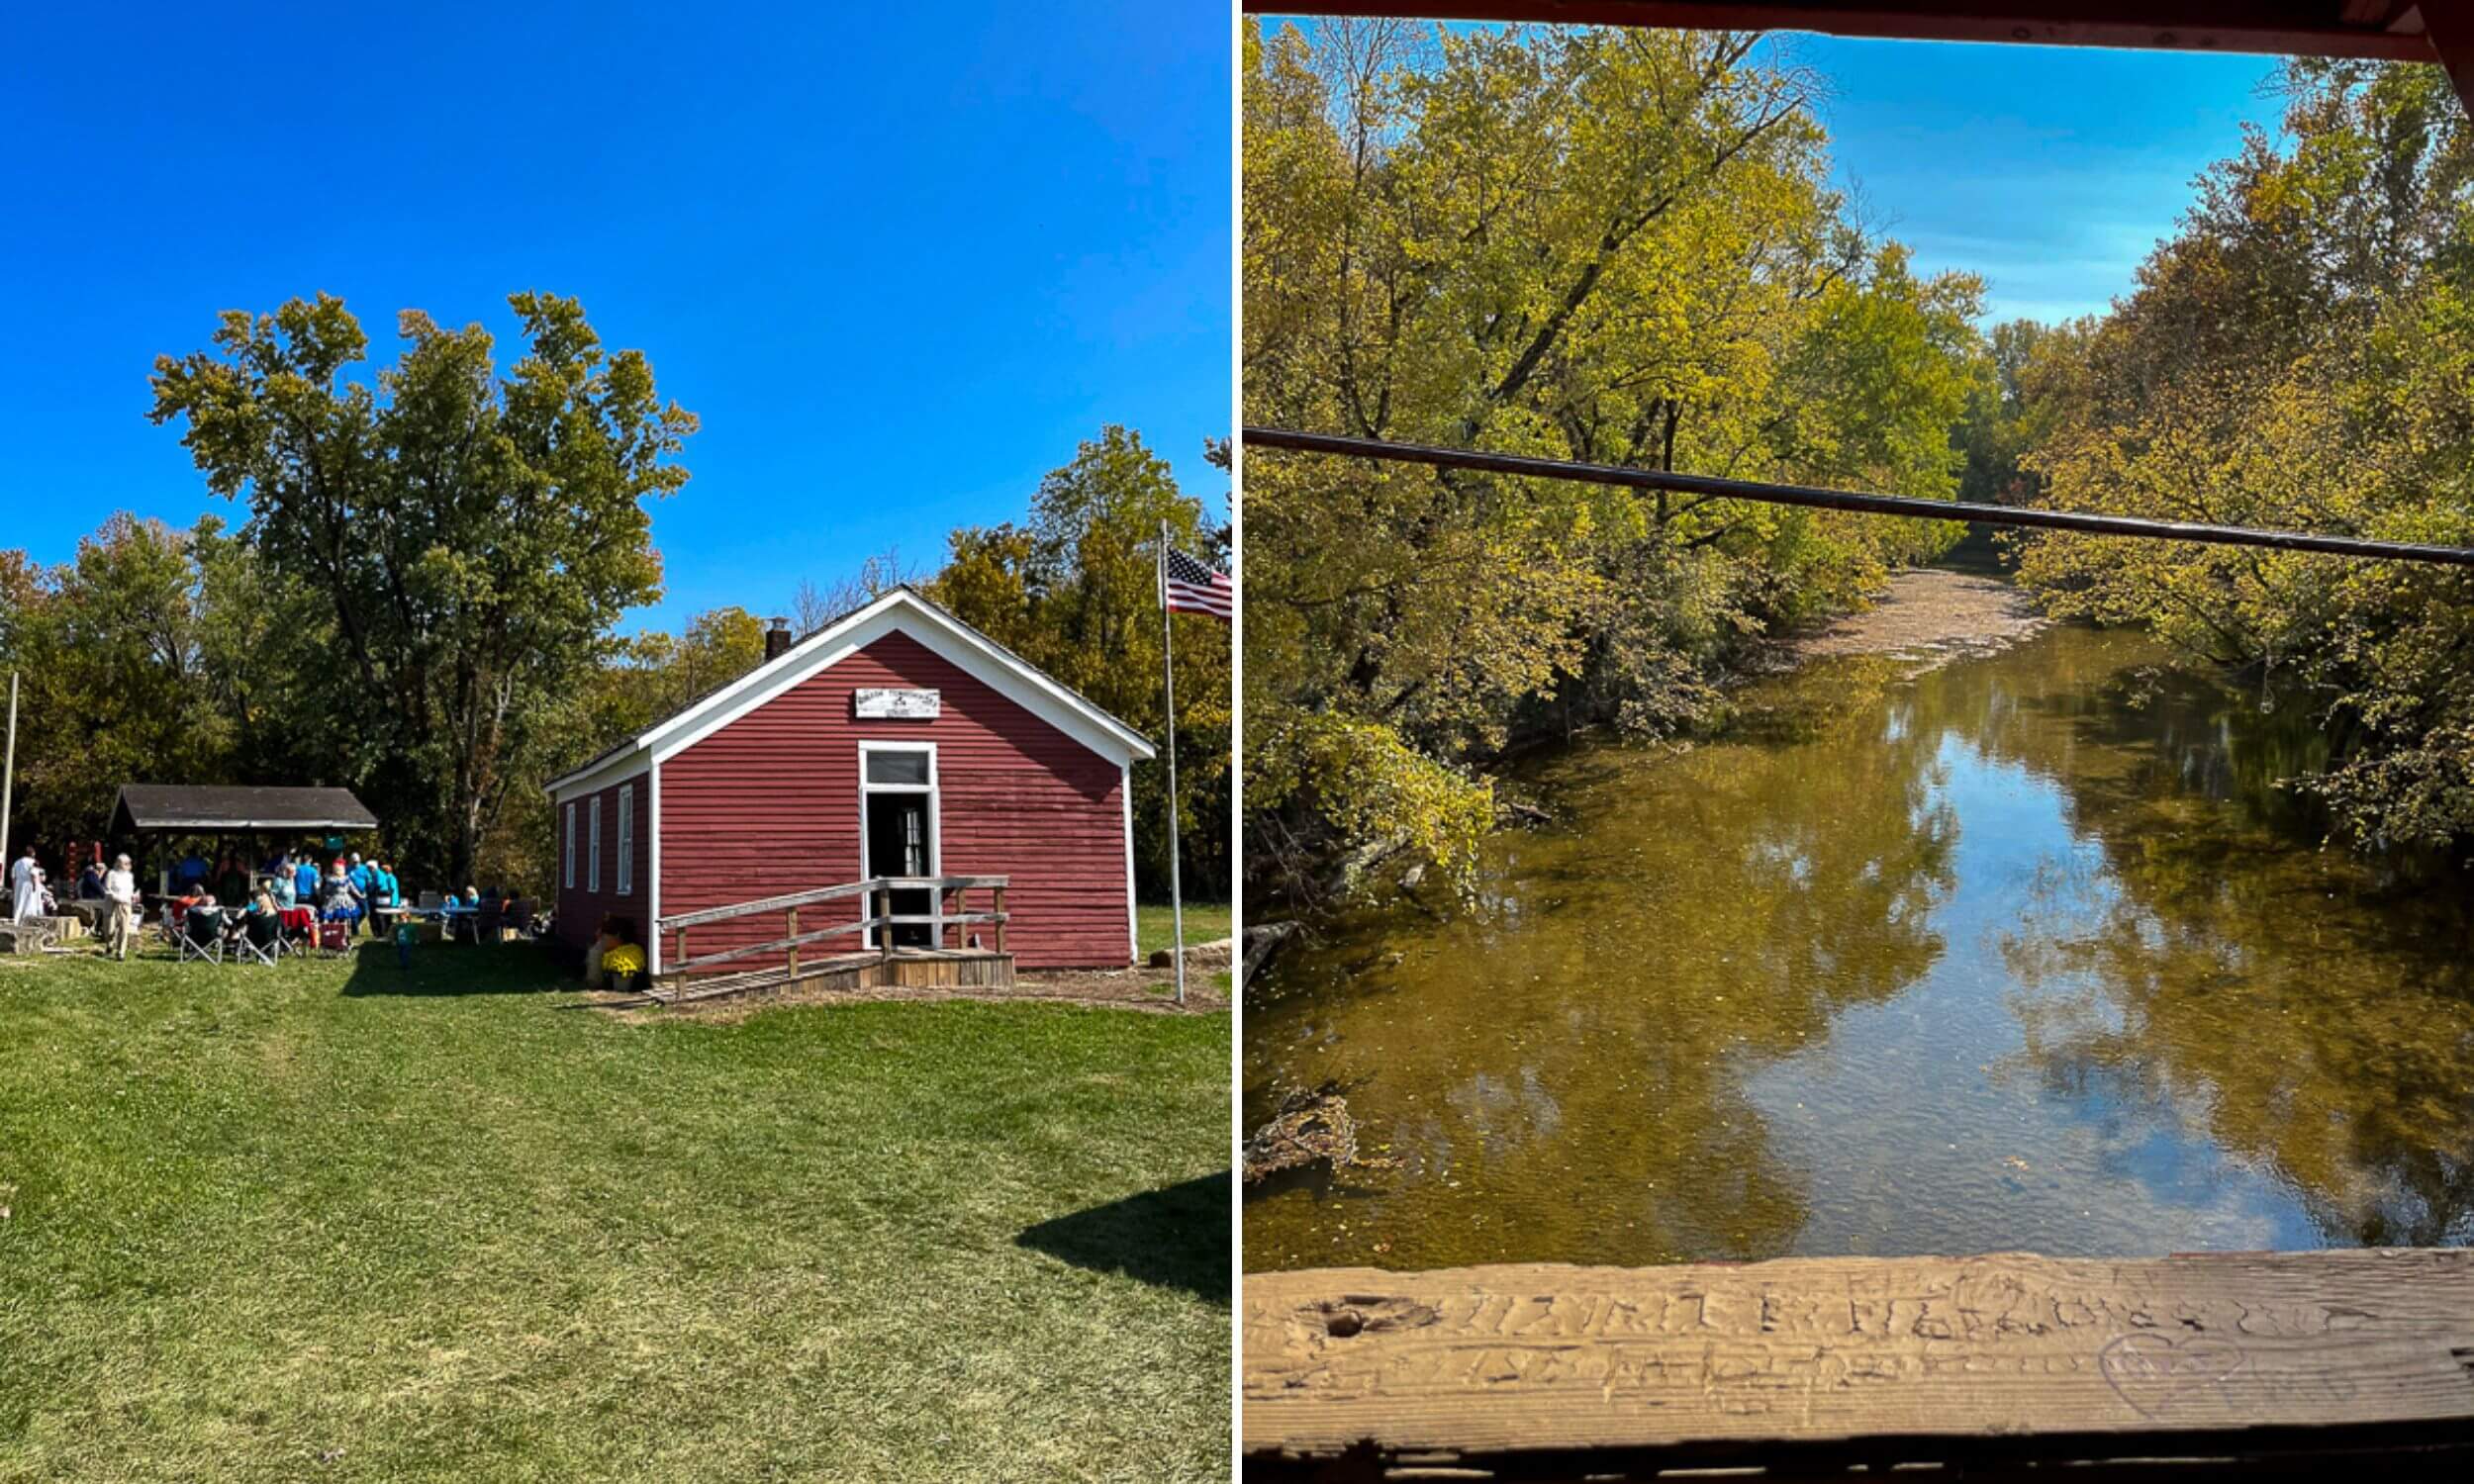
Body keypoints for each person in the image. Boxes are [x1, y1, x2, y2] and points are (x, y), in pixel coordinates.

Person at [102, 853, 140, 960]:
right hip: (113, 904)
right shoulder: (111, 874)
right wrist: (116, 897)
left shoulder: (129, 876)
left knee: (124, 929)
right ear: (119, 863)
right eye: (126, 863)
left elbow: (130, 890)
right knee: (110, 929)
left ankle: (120, 952)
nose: (128, 865)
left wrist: (134, 896)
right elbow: (107, 890)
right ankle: (109, 945)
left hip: (126, 904)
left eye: (129, 863)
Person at [9, 845, 41, 923]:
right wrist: (34, 886)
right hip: (28, 883)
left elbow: (13, 876)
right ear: (32, 853)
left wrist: (14, 887)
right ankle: (27, 920)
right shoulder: (33, 862)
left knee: (18, 902)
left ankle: (16, 920)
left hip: (18, 884)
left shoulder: (17, 862)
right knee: (29, 902)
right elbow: (33, 874)